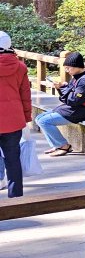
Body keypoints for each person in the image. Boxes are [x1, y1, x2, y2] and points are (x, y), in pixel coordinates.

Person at [37, 51, 85, 157]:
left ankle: (63, 146)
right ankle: (57, 145)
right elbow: (71, 95)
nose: (67, 70)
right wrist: (63, 86)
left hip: (83, 111)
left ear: (77, 66)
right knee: (39, 118)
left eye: (68, 68)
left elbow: (74, 100)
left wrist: (61, 88)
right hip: (75, 108)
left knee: (44, 121)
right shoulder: (77, 77)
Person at [0, 31, 33, 197]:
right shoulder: (20, 67)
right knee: (12, 160)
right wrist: (27, 117)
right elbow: (25, 96)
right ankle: (16, 198)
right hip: (13, 120)